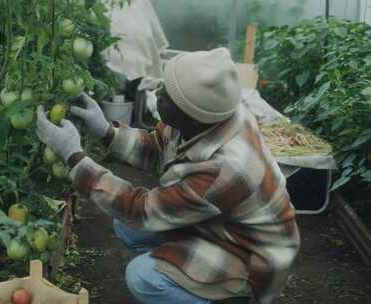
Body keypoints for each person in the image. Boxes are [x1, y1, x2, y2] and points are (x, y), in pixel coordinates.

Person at [36, 47, 300, 304]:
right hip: (220, 226)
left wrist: (74, 156)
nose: (158, 94)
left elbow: (141, 210)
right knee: (126, 227)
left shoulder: (226, 168)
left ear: (194, 118)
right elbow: (158, 147)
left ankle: (221, 295)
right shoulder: (207, 117)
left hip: (249, 255)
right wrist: (106, 131)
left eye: (167, 97)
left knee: (144, 277)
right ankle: (182, 273)